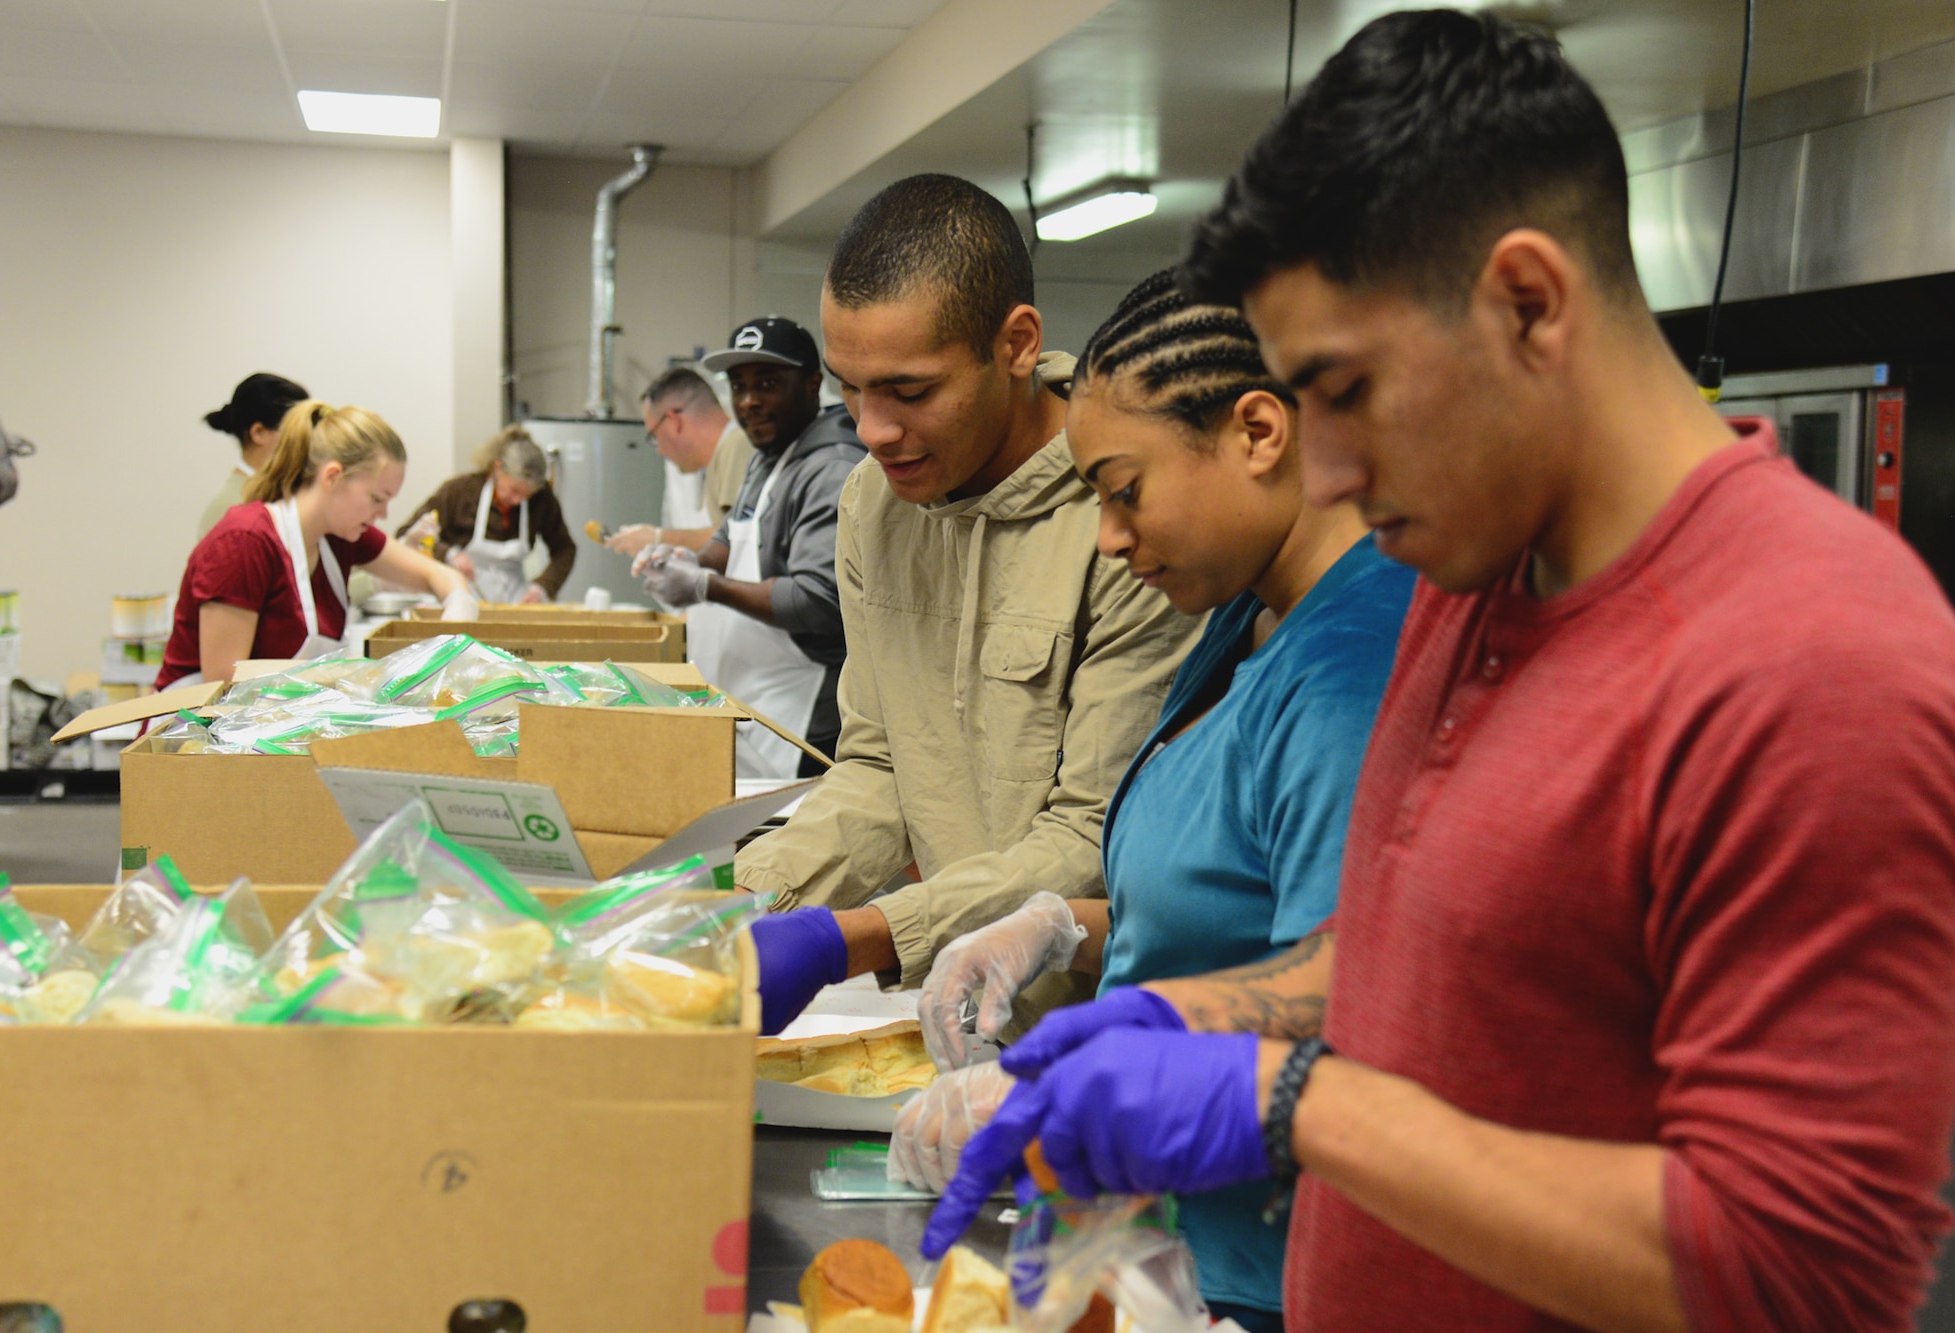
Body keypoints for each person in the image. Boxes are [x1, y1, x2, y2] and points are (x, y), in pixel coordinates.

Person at [925, 12, 1955, 1333]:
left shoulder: (1813, 655)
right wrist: (1174, 1017)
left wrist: (1296, 1101)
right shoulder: (1471, 588)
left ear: (1528, 301)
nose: (1330, 475)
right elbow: (1438, 944)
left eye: (1349, 392)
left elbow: (1797, 1270)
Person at [890, 269, 1413, 1333]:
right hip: (1151, 1241)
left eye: (1122, 489)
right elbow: (1227, 910)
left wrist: (1089, 1069)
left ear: (1258, 431)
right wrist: (1058, 931)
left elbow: (1352, 994)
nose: (1108, 537)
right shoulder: (1242, 621)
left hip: (1261, 1275)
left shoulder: (1349, 673)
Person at [737, 176, 1201, 1038]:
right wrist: (747, 896)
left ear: (1016, 344)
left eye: (909, 393)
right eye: (850, 389)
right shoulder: (873, 504)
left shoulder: (1125, 517)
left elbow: (1094, 836)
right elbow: (879, 768)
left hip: (1101, 1026)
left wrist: (865, 935)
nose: (872, 430)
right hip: (959, 1014)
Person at [632, 318, 863, 778]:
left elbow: (815, 601)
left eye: (768, 383)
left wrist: (703, 586)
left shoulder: (831, 467)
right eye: (738, 386)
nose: (749, 401)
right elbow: (728, 542)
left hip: (805, 715)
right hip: (756, 701)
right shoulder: (770, 457)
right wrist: (682, 565)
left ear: (813, 383)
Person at [159, 401, 477, 690]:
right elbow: (223, 677)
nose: (383, 514)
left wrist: (457, 612)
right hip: (192, 729)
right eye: (377, 499)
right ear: (332, 477)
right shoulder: (245, 541)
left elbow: (440, 576)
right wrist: (346, 677)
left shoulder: (341, 535)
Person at [395, 427, 577, 606]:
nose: (517, 500)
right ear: (497, 468)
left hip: (516, 601)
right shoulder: (460, 491)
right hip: (459, 596)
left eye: (526, 496)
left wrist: (542, 587)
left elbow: (565, 549)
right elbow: (408, 535)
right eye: (513, 490)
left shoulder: (542, 500)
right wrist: (449, 554)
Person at [605, 366, 755, 556]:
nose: (659, 450)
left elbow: (738, 537)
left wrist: (658, 539)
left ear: (673, 421)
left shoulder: (736, 446)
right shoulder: (721, 456)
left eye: (654, 436)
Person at [197, 372, 306, 539]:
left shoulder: (291, 496)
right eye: (294, 433)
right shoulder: (229, 509)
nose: (304, 443)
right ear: (258, 433)